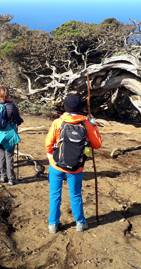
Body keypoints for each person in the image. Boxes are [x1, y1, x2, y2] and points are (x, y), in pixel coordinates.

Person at [45, 94, 102, 233]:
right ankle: (80, 223)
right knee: (75, 194)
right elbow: (97, 144)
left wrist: (51, 157)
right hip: (77, 167)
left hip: (56, 165)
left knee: (54, 194)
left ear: (66, 107)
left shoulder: (58, 122)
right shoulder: (86, 124)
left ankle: (53, 224)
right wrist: (93, 124)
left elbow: (48, 144)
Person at [0, 85, 23, 186]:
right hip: (9, 134)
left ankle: (3, 176)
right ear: (8, 94)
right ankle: (11, 179)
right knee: (9, 156)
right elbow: (18, 121)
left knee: (1, 156)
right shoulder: (11, 106)